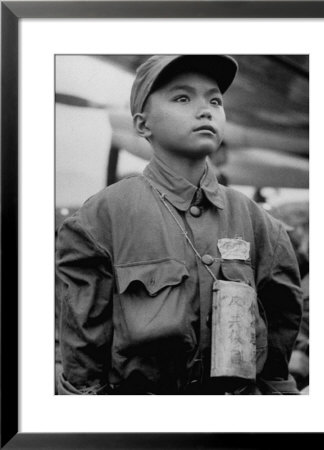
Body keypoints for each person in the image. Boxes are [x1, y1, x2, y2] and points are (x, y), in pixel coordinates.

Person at [56, 55, 302, 395]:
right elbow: (83, 376)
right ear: (142, 125)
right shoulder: (98, 222)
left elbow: (276, 368)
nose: (206, 110)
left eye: (215, 100)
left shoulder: (262, 226)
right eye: (182, 98)